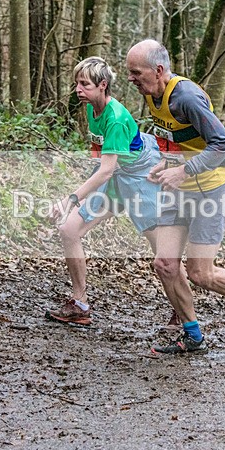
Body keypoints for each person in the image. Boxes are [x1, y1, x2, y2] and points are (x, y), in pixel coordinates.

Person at [125, 39, 225, 354]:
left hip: (210, 190)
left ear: (158, 70)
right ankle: (193, 336)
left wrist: (183, 171)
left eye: (136, 72)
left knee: (200, 274)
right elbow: (177, 139)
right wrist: (164, 165)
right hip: (180, 190)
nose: (131, 79)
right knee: (165, 264)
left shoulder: (187, 97)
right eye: (129, 73)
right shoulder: (152, 95)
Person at [45, 56, 161, 325]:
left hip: (141, 178)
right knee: (69, 230)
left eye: (84, 84)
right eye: (76, 83)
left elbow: (107, 169)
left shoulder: (117, 119)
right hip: (114, 176)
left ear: (103, 85)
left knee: (163, 254)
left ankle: (181, 312)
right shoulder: (90, 108)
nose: (78, 89)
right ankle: (80, 304)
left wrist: (71, 199)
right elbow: (102, 163)